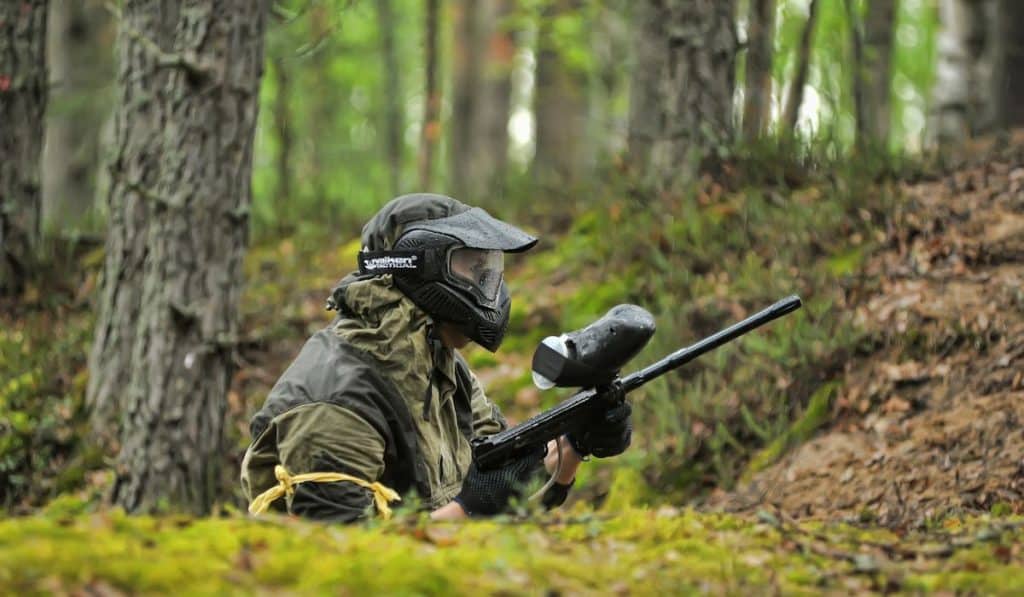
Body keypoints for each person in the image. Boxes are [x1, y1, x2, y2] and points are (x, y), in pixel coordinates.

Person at [240, 194, 632, 522]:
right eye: (473, 267)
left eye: (490, 269)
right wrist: (468, 511)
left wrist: (571, 448)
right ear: (419, 265)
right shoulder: (337, 396)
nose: (489, 286)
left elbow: (502, 494)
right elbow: (340, 559)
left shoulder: (442, 370)